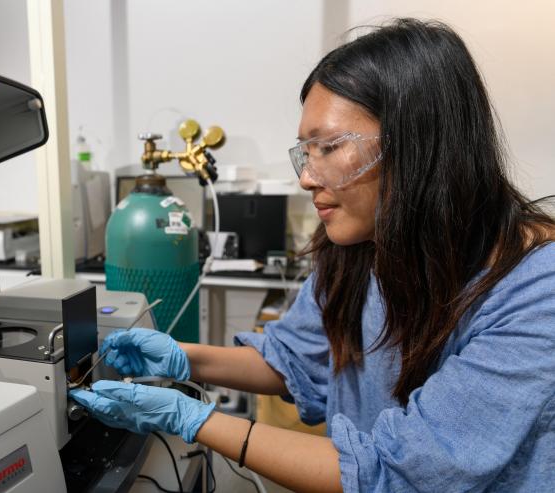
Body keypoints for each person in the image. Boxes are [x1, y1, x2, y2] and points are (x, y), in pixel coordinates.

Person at [71, 18, 555, 492]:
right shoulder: (363, 248)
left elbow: (397, 472)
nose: (306, 177)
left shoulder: (535, 291)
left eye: (329, 146)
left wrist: (191, 417)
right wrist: (182, 359)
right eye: (305, 151)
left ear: (420, 146)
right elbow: (294, 359)